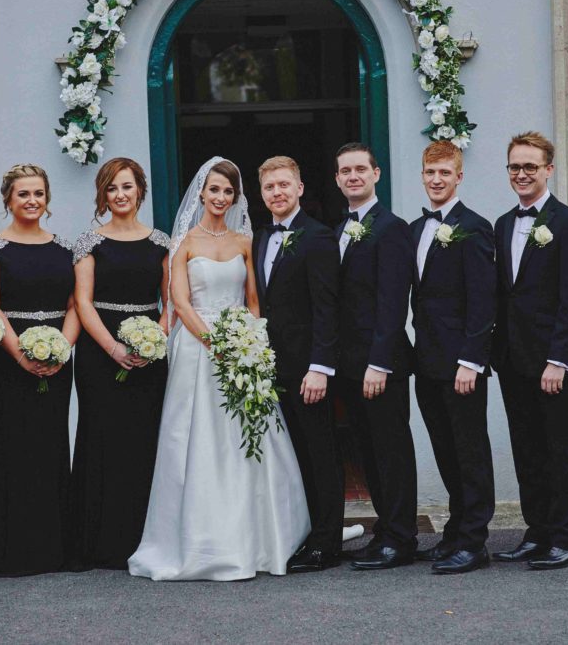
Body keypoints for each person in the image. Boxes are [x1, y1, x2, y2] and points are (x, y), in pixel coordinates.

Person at [127, 157, 309, 581]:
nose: (221, 198)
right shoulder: (184, 243)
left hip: (241, 347)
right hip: (197, 350)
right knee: (197, 441)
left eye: (228, 192)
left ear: (235, 197)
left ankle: (262, 536)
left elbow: (252, 301)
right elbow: (179, 302)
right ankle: (199, 539)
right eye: (214, 190)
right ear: (201, 193)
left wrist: (249, 341)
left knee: (246, 437)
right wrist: (214, 343)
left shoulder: (245, 242)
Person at [491, 131, 568, 570]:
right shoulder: (501, 224)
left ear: (548, 169)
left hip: (553, 360)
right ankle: (538, 532)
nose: (522, 173)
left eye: (530, 166)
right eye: (515, 166)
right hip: (513, 358)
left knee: (561, 450)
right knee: (527, 449)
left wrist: (558, 359)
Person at [0, 164, 78, 577]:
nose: (32, 201)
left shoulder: (65, 249)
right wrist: (21, 355)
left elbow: (74, 306)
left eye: (38, 194)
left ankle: (54, 548)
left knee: (50, 447)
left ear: (47, 198)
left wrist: (61, 351)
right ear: (8, 200)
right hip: (7, 361)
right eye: (23, 195)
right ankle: (11, 550)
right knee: (11, 448)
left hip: (56, 361)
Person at [69, 158, 170, 570]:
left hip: (150, 357)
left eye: (127, 186)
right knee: (102, 441)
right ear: (103, 195)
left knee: (143, 443)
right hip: (99, 353)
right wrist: (112, 348)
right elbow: (82, 301)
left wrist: (156, 339)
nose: (121, 195)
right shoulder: (88, 243)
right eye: (112, 188)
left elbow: (173, 302)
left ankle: (142, 537)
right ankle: (99, 543)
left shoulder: (162, 243)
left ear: (140, 191)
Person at [409, 141, 496, 574]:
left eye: (445, 172)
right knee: (445, 449)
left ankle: (475, 542)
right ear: (422, 176)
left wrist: (471, 361)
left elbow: (484, 301)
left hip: (462, 364)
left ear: (459, 176)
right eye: (430, 172)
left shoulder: (475, 228)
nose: (437, 179)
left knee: (470, 450)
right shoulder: (414, 229)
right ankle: (455, 531)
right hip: (426, 362)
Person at [253, 156, 343, 573]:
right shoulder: (259, 237)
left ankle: (328, 541)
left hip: (308, 369)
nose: (278, 192)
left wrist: (320, 367)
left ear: (301, 188)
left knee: (320, 453)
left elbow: (328, 308)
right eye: (270, 187)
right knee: (293, 457)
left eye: (285, 185)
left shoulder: (319, 237)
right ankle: (305, 533)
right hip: (273, 369)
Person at [332, 143, 419, 570]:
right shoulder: (338, 229)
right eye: (345, 171)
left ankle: (401, 538)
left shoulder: (392, 227)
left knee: (392, 451)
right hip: (348, 364)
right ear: (336, 179)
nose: (353, 176)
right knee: (367, 452)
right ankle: (386, 530)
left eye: (360, 169)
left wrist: (379, 363)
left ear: (376, 174)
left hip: (380, 364)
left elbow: (392, 302)